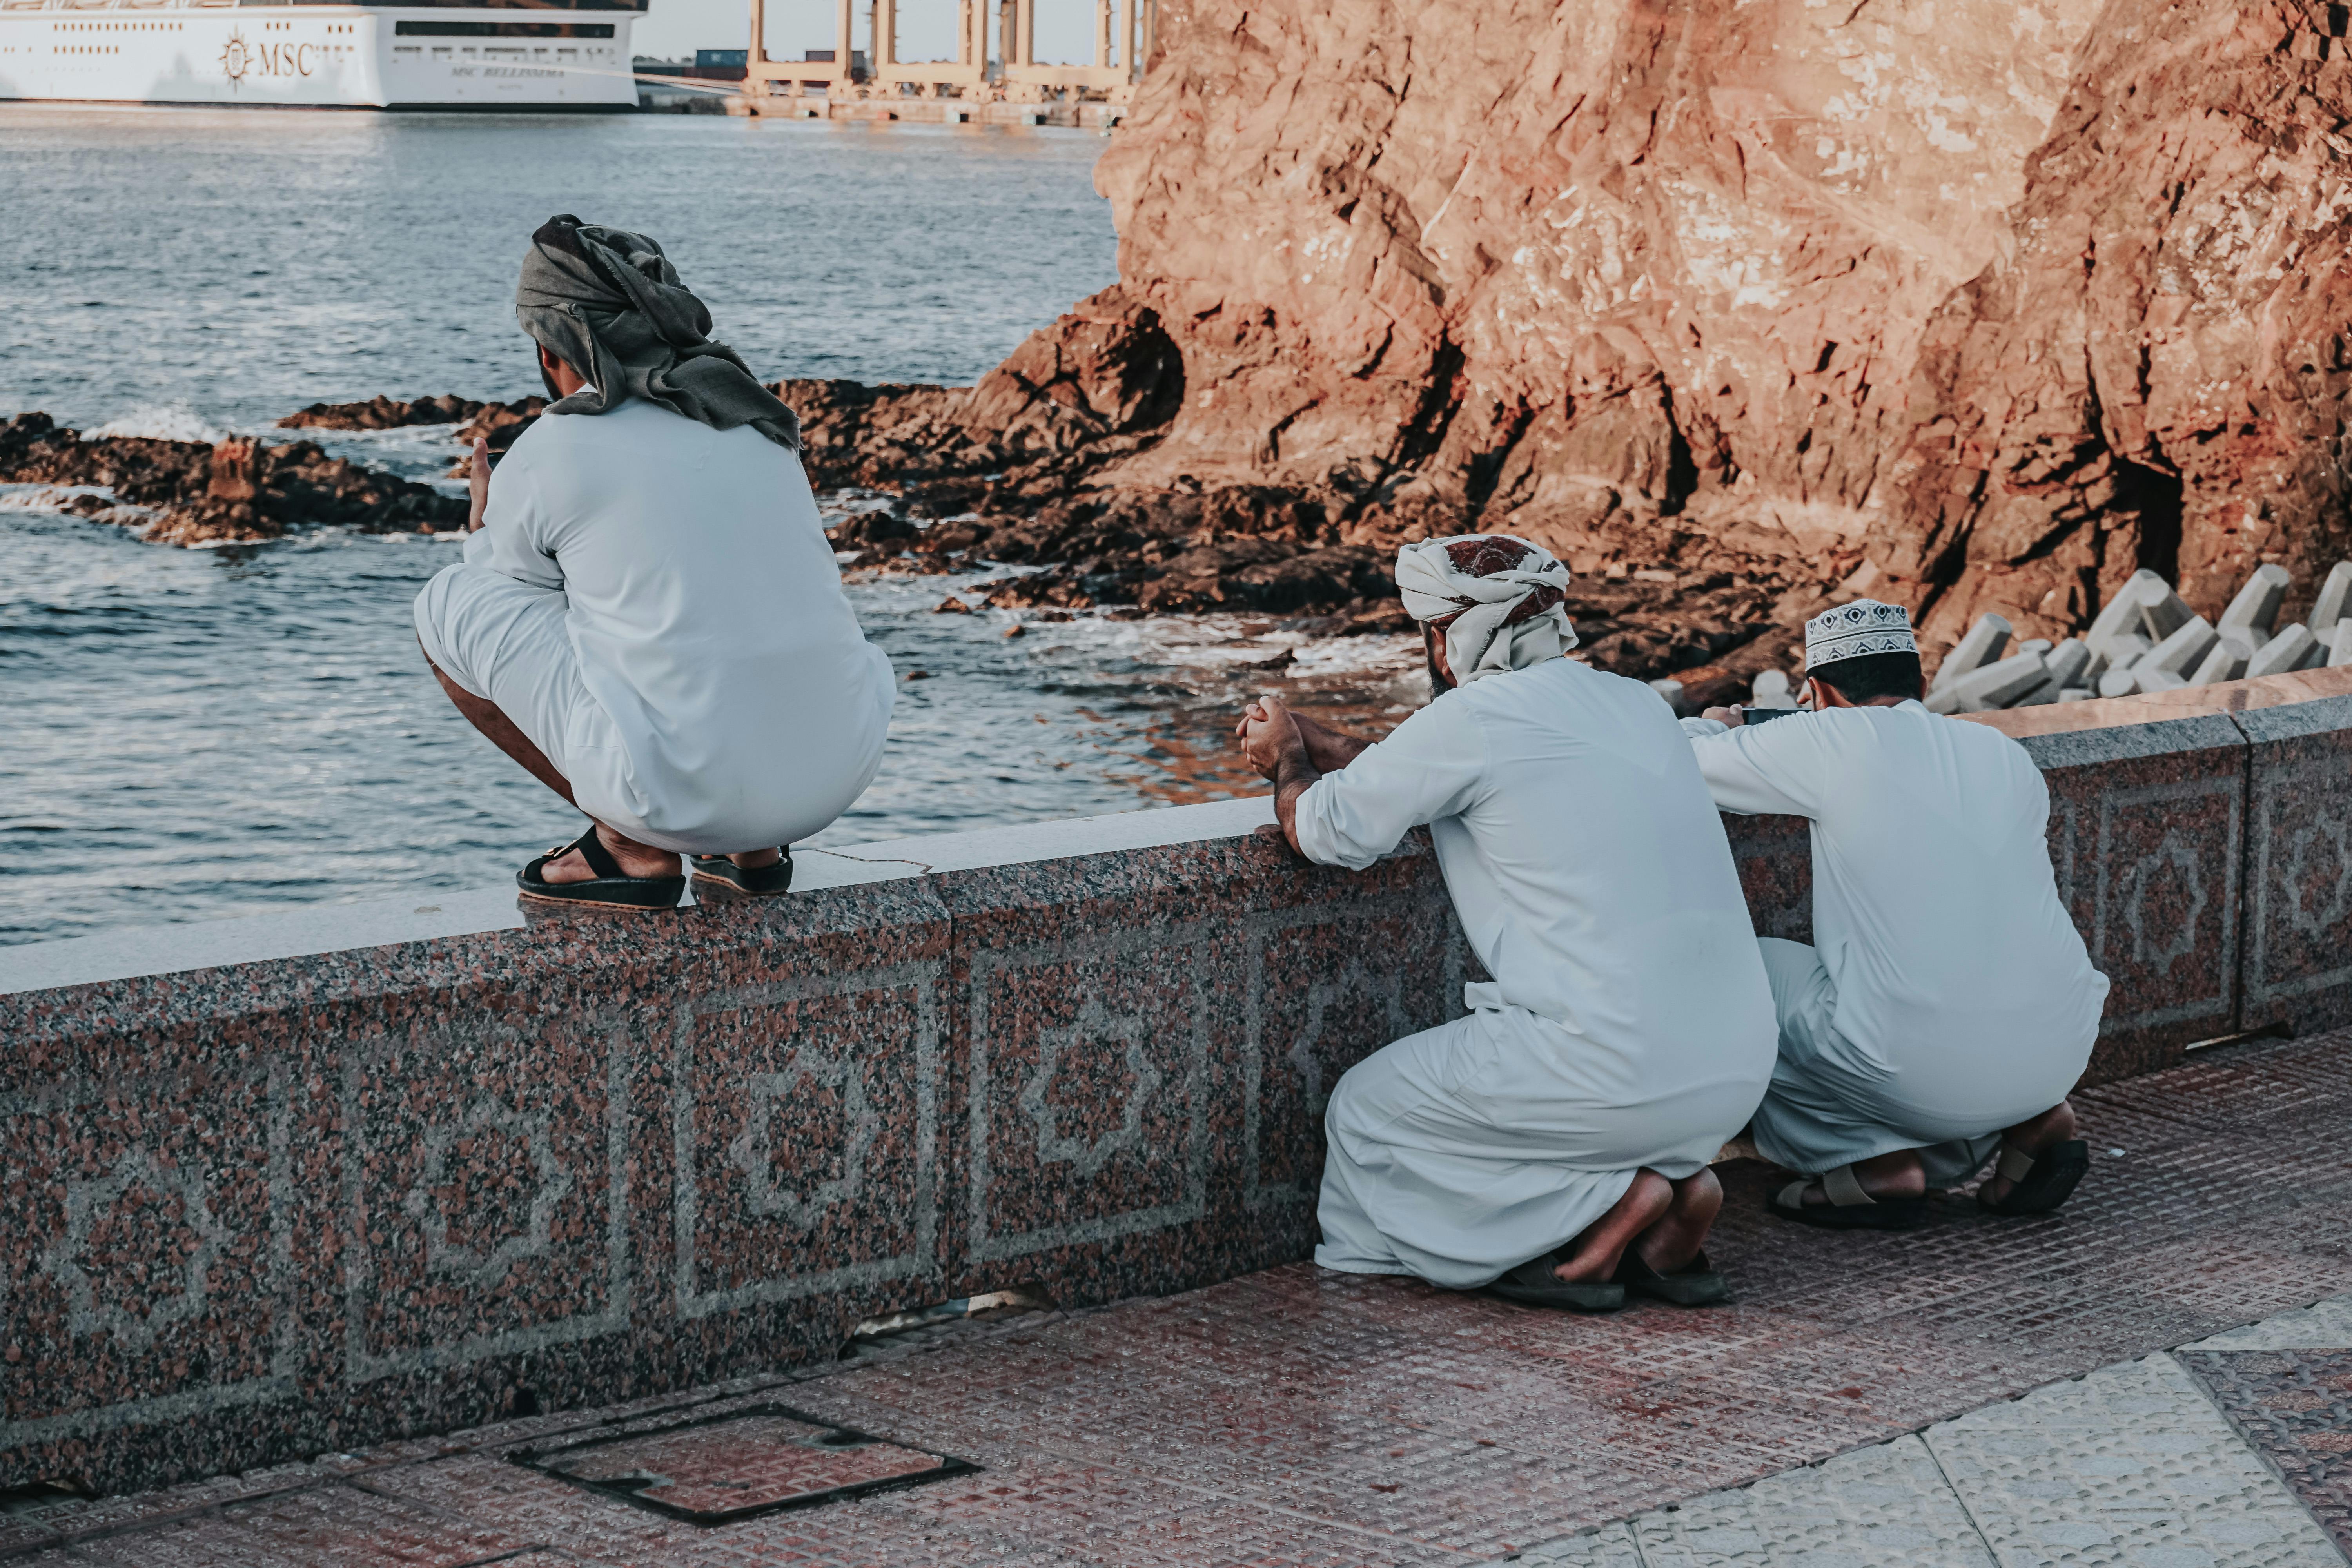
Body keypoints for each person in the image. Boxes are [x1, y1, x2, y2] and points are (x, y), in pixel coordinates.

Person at [1236, 535, 1778, 1312]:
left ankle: (1579, 1225)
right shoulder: (1635, 702)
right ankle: (1655, 1208)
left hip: (1610, 1071)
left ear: (1445, 636)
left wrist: (1287, 758)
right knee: (1539, 1105)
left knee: (1365, 1113)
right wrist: (1326, 741)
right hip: (1736, 1073)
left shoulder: (1474, 717)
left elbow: (1322, 829)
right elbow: (1464, 771)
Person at [414, 216, 893, 910]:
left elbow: (509, 588)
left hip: (677, 795)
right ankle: (749, 852)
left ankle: (630, 846)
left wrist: (481, 531)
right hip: (838, 772)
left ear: (554, 351)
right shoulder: (758, 421)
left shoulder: (558, 444)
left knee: (449, 602)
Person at [1681, 600, 2108, 1229]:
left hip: (1921, 1065)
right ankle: (2032, 1120)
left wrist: (1716, 723)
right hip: (2063, 1050)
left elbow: (1682, 763)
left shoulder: (1830, 737)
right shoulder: (2002, 753)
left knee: (1742, 971)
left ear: (1816, 693)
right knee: (1924, 1018)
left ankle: (1869, 1163)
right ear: (1923, 685)